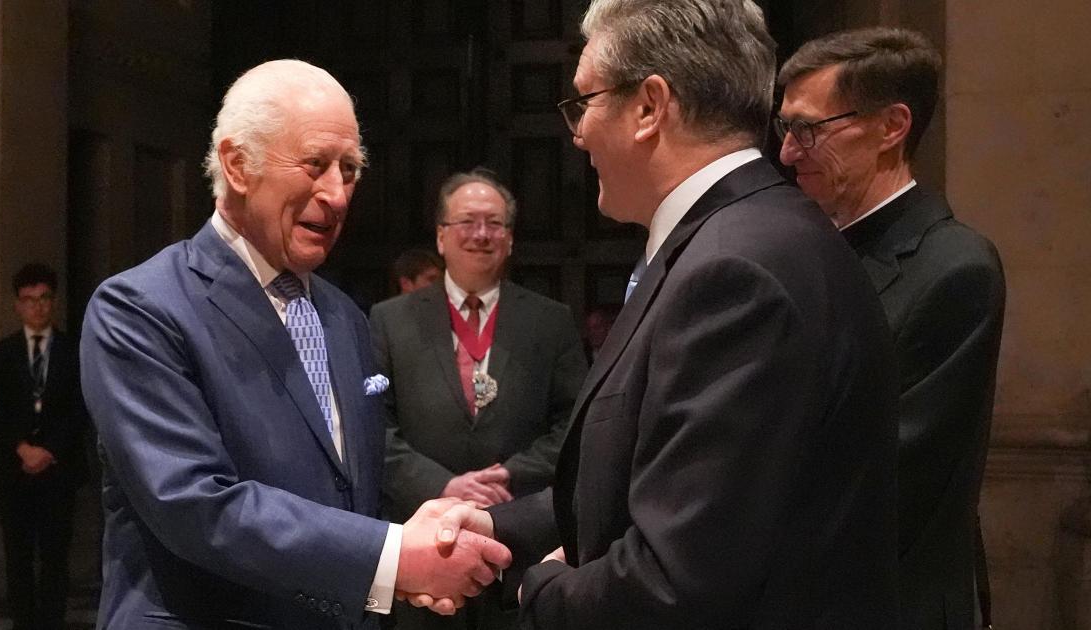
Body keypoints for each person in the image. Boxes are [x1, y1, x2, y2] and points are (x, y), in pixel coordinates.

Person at [416, 1, 901, 627]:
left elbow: (675, 584)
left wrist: (528, 589)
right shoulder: (735, 236)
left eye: (584, 101)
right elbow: (652, 478)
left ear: (649, 106)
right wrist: (494, 525)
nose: (577, 133)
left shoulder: (738, 272)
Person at [79, 59, 510, 629]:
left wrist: (419, 534)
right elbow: (195, 506)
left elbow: (341, 492)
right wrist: (392, 557)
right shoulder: (140, 310)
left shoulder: (343, 317)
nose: (336, 193)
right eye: (315, 165)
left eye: (350, 169)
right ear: (237, 165)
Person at [777, 27, 1006, 630]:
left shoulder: (954, 268)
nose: (787, 153)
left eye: (809, 129)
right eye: (785, 128)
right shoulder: (804, 250)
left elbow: (884, 471)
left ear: (892, 126)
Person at [370, 170, 588, 629]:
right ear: (441, 236)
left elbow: (575, 424)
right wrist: (446, 486)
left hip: (517, 545)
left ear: (509, 240)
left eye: (494, 224)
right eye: (467, 222)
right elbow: (373, 427)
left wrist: (509, 474)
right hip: (424, 548)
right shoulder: (390, 320)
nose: (481, 234)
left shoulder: (551, 321)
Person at [0, 262, 88, 630]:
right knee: (18, 556)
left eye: (44, 299)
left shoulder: (74, 351)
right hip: (13, 469)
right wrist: (22, 447)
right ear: (17, 305)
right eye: (29, 300)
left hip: (58, 469)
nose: (37, 307)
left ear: (53, 301)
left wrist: (49, 450)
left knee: (56, 556)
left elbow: (81, 407)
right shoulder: (2, 353)